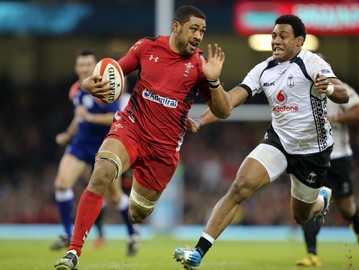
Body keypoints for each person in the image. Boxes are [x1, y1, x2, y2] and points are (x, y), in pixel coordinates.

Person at [53, 5, 231, 270]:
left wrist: (214, 82)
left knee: (138, 214)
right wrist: (91, 84)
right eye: (193, 28)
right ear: (175, 27)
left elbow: (224, 110)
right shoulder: (146, 48)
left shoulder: (200, 66)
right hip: (131, 129)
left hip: (163, 150)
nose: (198, 36)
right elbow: (111, 74)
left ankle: (131, 225)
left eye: (202, 31)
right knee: (102, 171)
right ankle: (73, 251)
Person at [173, 14, 349, 269]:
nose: (276, 40)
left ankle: (320, 199)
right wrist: (200, 119)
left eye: (283, 36)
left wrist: (329, 88)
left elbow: (341, 93)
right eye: (274, 35)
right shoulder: (263, 69)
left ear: (299, 41)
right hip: (278, 142)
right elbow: (231, 100)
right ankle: (198, 252)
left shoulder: (311, 62)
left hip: (313, 151)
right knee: (240, 186)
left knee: (301, 216)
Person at [50, 49, 139, 257]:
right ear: (76, 68)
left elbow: (113, 118)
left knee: (116, 197)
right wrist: (68, 133)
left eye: (87, 65)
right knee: (61, 183)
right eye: (80, 65)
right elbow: (79, 115)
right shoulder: (75, 90)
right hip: (82, 144)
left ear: (96, 67)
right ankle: (66, 233)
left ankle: (132, 233)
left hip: (105, 146)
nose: (83, 69)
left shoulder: (105, 88)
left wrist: (89, 117)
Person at [295, 82, 359, 266]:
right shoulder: (297, 88)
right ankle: (312, 255)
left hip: (338, 157)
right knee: (309, 203)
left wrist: (335, 118)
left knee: (346, 206)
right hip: (311, 157)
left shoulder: (339, 88)